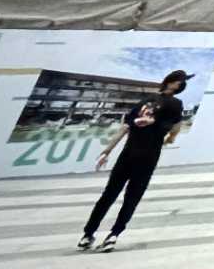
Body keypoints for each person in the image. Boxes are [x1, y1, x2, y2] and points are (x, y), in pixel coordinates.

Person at [78, 69, 190, 251]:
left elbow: (174, 126)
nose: (179, 83)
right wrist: (107, 150)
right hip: (128, 154)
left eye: (181, 81)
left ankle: (114, 235)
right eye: (177, 80)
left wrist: (168, 135)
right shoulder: (146, 100)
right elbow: (126, 127)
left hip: (148, 156)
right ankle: (88, 234)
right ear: (169, 80)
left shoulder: (176, 103)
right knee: (108, 195)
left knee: (132, 198)